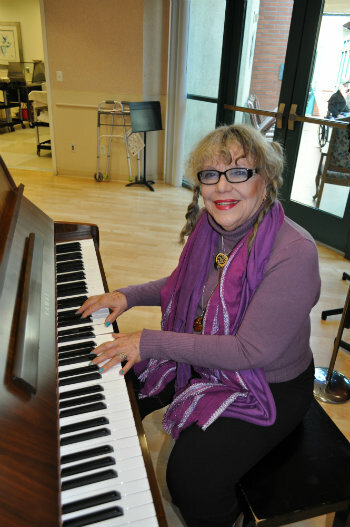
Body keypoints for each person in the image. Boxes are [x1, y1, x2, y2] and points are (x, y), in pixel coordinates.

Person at [78, 124, 321, 527]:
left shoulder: (294, 252)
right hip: (215, 361)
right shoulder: (212, 228)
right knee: (111, 379)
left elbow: (249, 352)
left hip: (269, 385)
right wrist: (126, 296)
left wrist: (150, 342)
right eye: (211, 174)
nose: (222, 187)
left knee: (190, 478)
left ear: (266, 179)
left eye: (239, 172)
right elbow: (180, 286)